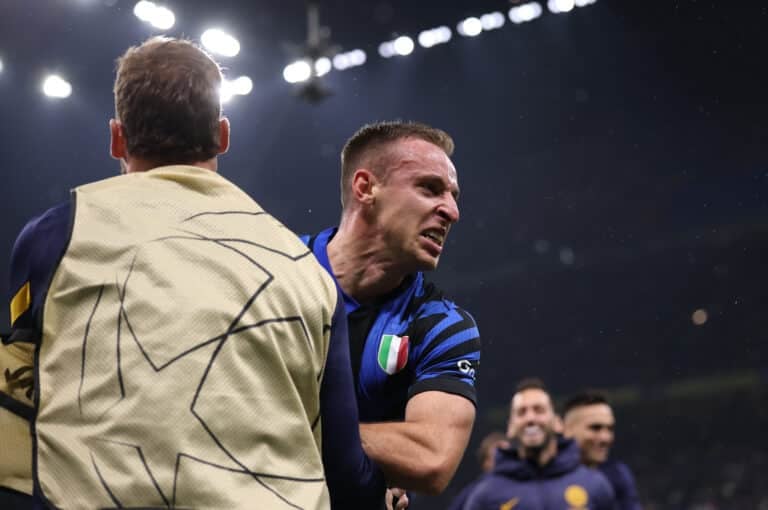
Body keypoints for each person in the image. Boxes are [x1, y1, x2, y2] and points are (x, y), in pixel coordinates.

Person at [1, 36, 382, 509]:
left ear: (117, 138)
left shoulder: (55, 236)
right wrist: (380, 492)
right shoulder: (306, 269)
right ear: (222, 135)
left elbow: (20, 397)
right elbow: (344, 470)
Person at [301, 121, 481, 499]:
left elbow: (431, 458)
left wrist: (292, 428)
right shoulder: (274, 273)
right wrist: (380, 452)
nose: (452, 211)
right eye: (429, 188)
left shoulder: (443, 325)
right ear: (366, 188)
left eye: (453, 196)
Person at [462, 378, 616, 510]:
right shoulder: (485, 495)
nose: (530, 418)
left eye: (539, 410)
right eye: (521, 412)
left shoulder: (595, 485)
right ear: (510, 427)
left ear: (557, 422)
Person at [563, 392, 642, 510]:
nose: (606, 438)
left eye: (610, 429)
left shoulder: (618, 474)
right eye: (595, 428)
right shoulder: (546, 475)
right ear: (566, 430)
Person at [446, 431, 510, 510]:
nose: (505, 461)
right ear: (485, 463)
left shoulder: (523, 488)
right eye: (498, 456)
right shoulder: (472, 493)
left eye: (509, 455)